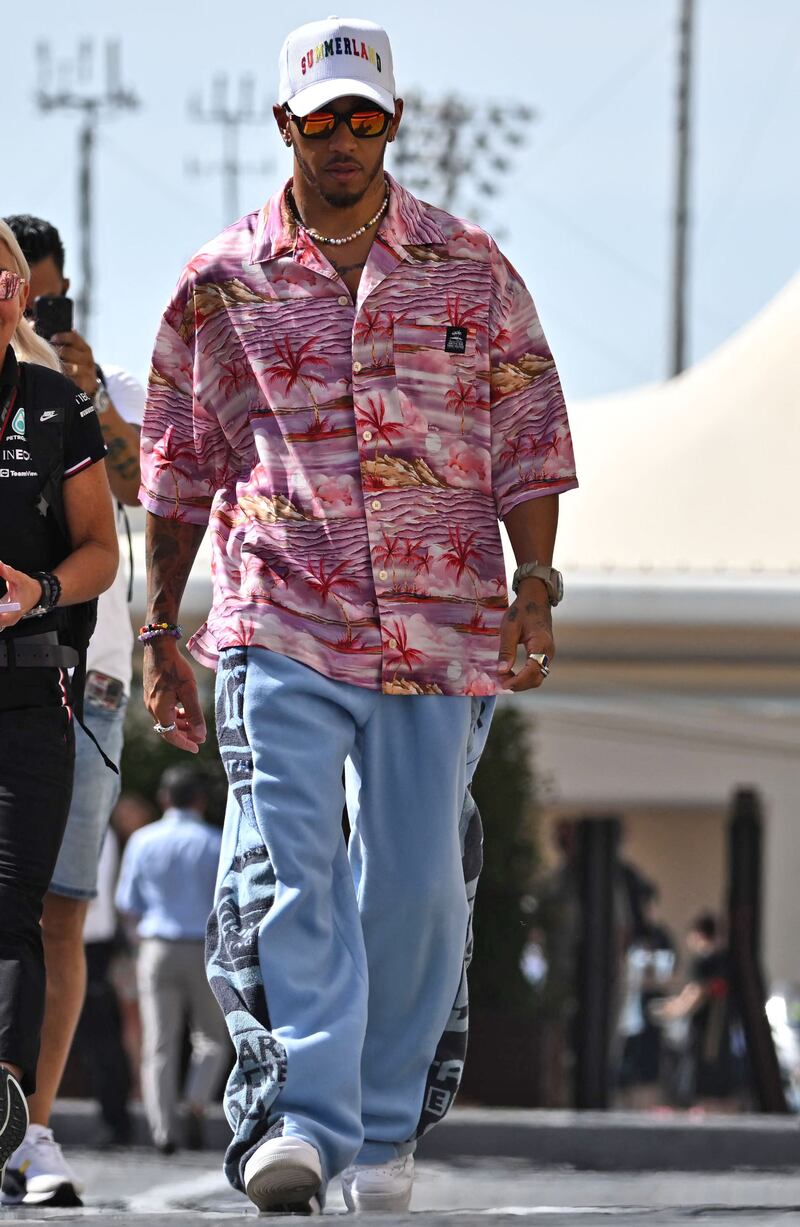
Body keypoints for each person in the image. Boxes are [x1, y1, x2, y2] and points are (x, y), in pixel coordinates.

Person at [140, 15, 577, 1214]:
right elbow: (176, 474)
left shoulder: (468, 267)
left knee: (420, 881)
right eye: (322, 116)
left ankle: (382, 1132)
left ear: (395, 120)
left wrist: (533, 587)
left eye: (365, 116)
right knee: (291, 866)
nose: (344, 138)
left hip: (441, 627)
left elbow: (528, 447)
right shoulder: (219, 281)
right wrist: (156, 634)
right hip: (280, 612)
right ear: (284, 122)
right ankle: (303, 1120)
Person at [1, 215, 143, 1208]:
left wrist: (88, 389)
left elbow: (141, 500)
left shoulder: (81, 396)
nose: (31, 305)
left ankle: (31, 1126)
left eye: (46, 293)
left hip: (80, 676)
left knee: (55, 914)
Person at [115, 767, 228, 1154]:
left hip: (156, 946)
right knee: (213, 1039)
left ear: (165, 799)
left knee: (158, 1045)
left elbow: (127, 903)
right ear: (200, 799)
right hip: (203, 947)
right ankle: (196, 1101)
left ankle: (163, 1132)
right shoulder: (215, 841)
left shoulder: (143, 841)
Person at [651, 912, 744, 1110]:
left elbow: (695, 994)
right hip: (723, 1033)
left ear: (698, 935)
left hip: (706, 1035)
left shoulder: (706, 961)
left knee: (702, 1087)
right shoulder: (728, 960)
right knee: (721, 1090)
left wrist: (669, 1011)